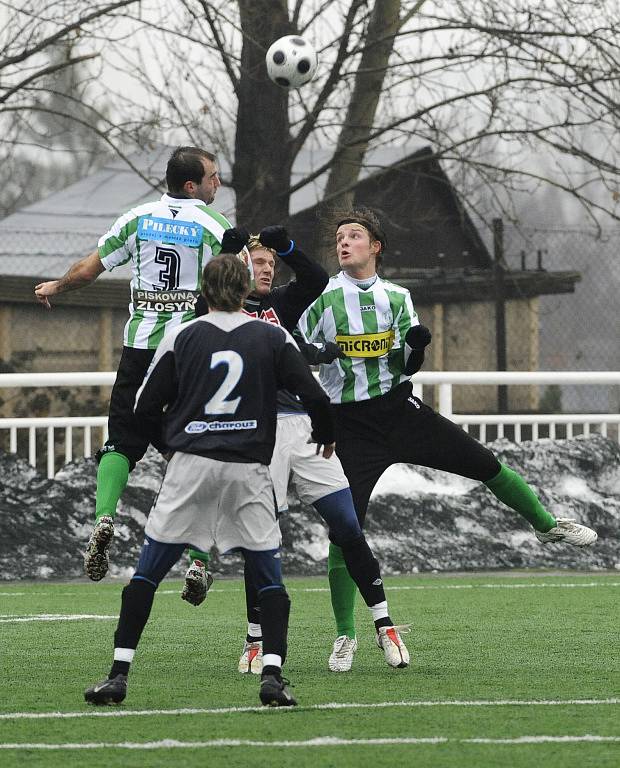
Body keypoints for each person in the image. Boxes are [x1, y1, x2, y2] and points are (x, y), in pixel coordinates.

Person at [298, 207, 598, 666]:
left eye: (354, 235)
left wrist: (415, 348)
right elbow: (294, 348)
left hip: (400, 412)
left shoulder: (397, 298)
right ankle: (345, 636)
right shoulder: (323, 298)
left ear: (375, 246)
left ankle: (546, 526)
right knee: (345, 531)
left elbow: (405, 365)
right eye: (339, 237)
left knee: (484, 463)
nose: (343, 243)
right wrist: (317, 351)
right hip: (349, 425)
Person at [84, 254, 335, 708]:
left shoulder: (182, 335)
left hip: (192, 465)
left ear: (204, 291)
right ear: (245, 291)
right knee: (268, 577)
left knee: (147, 574)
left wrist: (172, 447)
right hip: (249, 470)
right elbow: (315, 395)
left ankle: (118, 676)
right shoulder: (272, 335)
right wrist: (327, 435)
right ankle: (273, 680)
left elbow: (143, 410)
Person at [184, 227, 410, 674]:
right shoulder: (217, 310)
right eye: (259, 262)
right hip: (255, 434)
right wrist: (231, 250)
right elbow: (201, 308)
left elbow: (315, 278)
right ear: (239, 269)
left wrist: (286, 244)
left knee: (347, 525)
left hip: (303, 430)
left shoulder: (281, 305)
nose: (267, 269)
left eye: (271, 263)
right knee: (261, 539)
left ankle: (385, 625)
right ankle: (254, 639)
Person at [34, 146, 249, 582]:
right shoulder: (214, 225)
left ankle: (104, 517)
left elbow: (89, 270)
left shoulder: (135, 219)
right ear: (193, 185)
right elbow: (240, 286)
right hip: (189, 353)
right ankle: (200, 562)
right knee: (198, 456)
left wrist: (57, 285)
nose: (218, 183)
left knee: (121, 440)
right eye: (213, 177)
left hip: (138, 350)